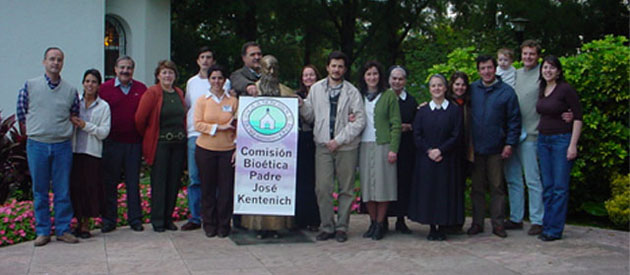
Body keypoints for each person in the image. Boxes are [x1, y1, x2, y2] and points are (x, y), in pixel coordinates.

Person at [300, 51, 366, 243]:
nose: (336, 69)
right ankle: (327, 226)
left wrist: (339, 139)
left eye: (340, 66)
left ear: (344, 69)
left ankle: (342, 227)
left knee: (346, 188)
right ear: (327, 67)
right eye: (333, 66)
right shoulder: (316, 89)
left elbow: (359, 120)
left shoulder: (352, 92)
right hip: (322, 146)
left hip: (346, 147)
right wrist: (301, 105)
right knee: (322, 188)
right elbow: (311, 116)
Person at [17, 47, 80, 246]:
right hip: (38, 145)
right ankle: (43, 231)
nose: (55, 63)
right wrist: (36, 130)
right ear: (44, 62)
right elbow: (21, 112)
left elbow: (74, 114)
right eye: (52, 59)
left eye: (59, 59)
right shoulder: (30, 86)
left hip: (62, 145)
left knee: (62, 190)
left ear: (63, 63)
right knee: (40, 190)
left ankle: (63, 229)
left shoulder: (70, 90)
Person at [242, 55, 296, 239]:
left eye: (274, 68)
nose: (271, 72)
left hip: (280, 153)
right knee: (258, 187)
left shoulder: (286, 91)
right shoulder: (251, 91)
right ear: (261, 69)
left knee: (277, 188)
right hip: (256, 152)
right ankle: (257, 226)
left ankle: (276, 226)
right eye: (267, 68)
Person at [467, 55, 521, 238]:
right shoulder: (472, 89)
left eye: (489, 67)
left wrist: (510, 143)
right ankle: (477, 223)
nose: (487, 71)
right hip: (476, 149)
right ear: (478, 70)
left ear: (495, 68)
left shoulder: (506, 92)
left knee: (497, 187)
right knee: (477, 189)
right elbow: (454, 102)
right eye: (482, 68)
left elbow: (514, 120)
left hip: (497, 148)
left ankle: (498, 224)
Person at [408, 74, 463, 241]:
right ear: (429, 89)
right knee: (429, 192)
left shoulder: (454, 110)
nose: (437, 89)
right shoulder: (422, 111)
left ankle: (443, 226)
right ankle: (432, 226)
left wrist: (441, 150)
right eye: (433, 86)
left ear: (446, 88)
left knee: (444, 192)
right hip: (426, 159)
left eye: (440, 85)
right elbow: (417, 135)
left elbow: (457, 134)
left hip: (447, 159)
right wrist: (429, 151)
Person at [182, 46, 231, 231]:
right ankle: (196, 217)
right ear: (197, 60)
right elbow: (189, 107)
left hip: (223, 142)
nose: (205, 60)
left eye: (209, 57)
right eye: (202, 57)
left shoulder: (226, 85)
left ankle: (217, 218)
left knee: (218, 181)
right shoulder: (191, 83)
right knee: (196, 178)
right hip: (196, 136)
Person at [135, 60, 186, 232]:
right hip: (161, 144)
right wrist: (150, 135)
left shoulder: (178, 93)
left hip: (178, 144)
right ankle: (157, 220)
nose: (167, 76)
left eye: (170, 72)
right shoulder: (152, 93)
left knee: (173, 183)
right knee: (160, 183)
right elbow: (140, 119)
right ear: (158, 75)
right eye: (164, 73)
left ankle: (168, 218)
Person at [536, 55, 582, 241]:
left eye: (552, 68)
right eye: (545, 67)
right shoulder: (542, 89)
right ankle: (546, 225)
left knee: (560, 187)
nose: (548, 70)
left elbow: (578, 117)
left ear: (559, 71)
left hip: (561, 141)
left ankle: (555, 230)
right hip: (543, 141)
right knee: (547, 187)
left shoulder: (565, 89)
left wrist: (572, 145)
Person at [99, 56, 148, 233]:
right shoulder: (104, 89)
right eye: (122, 68)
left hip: (134, 143)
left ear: (133, 70)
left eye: (128, 68)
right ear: (115, 69)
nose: (125, 71)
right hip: (111, 143)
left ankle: (135, 219)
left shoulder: (141, 89)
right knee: (109, 183)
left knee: (133, 183)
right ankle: (109, 220)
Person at [503, 40, 545, 235]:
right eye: (525, 54)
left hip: (532, 134)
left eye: (532, 54)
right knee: (513, 179)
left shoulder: (542, 75)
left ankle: (537, 219)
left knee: (532, 179)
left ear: (538, 56)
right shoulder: (515, 74)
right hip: (512, 135)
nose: (528, 57)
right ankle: (516, 217)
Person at [358, 61, 401, 240]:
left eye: (375, 74)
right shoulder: (358, 95)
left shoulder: (389, 95)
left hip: (383, 145)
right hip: (363, 145)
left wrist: (393, 148)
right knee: (368, 188)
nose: (372, 77)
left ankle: (380, 224)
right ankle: (372, 221)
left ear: (380, 76)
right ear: (364, 77)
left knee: (383, 187)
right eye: (368, 74)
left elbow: (396, 124)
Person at [194, 64, 238, 238]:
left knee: (226, 190)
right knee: (208, 188)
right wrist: (219, 127)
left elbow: (237, 127)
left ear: (225, 80)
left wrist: (236, 147)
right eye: (213, 78)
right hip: (206, 149)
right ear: (209, 80)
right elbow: (197, 124)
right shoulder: (202, 100)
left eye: (220, 78)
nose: (217, 81)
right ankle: (209, 223)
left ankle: (224, 224)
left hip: (227, 150)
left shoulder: (232, 101)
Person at [69, 69, 111, 239]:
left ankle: (86, 224)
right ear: (83, 83)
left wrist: (85, 125)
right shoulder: (74, 102)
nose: (90, 85)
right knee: (74, 188)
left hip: (91, 152)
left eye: (94, 81)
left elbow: (104, 132)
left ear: (99, 85)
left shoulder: (103, 106)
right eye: (87, 81)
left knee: (89, 188)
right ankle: (75, 222)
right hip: (72, 151)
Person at [442, 71, 472, 235]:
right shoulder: (446, 103)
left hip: (464, 150)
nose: (460, 88)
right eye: (457, 84)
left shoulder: (469, 104)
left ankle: (458, 221)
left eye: (463, 84)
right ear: (451, 86)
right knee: (448, 187)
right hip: (448, 150)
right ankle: (447, 220)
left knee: (460, 188)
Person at [388, 65, 417, 234]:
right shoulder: (383, 98)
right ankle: (382, 220)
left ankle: (401, 219)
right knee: (386, 183)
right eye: (394, 78)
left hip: (405, 148)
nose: (397, 81)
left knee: (403, 183)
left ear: (405, 81)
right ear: (389, 80)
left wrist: (409, 127)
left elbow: (417, 123)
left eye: (400, 79)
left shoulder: (411, 101)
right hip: (386, 146)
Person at [294, 65, 321, 232]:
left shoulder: (322, 94)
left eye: (311, 75)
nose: (309, 78)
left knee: (314, 181)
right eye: (306, 75)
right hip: (300, 140)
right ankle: (299, 218)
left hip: (316, 139)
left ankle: (314, 218)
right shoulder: (296, 95)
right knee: (301, 181)